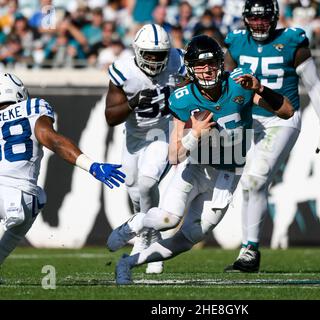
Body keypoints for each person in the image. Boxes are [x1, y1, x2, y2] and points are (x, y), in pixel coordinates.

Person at [108, 35, 294, 285]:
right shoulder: (183, 98)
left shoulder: (240, 84)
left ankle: (128, 263)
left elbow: (287, 112)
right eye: (199, 65)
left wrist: (260, 89)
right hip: (194, 167)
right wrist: (194, 134)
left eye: (211, 63)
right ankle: (137, 221)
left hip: (228, 173)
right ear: (190, 68)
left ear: (221, 63)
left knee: (190, 238)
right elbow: (174, 155)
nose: (206, 70)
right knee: (167, 220)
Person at [223, 0, 320, 273]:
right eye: (254, 18)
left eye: (264, 18)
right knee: (248, 184)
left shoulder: (292, 40)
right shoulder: (235, 42)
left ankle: (250, 249)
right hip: (247, 118)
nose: (259, 23)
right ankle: (246, 249)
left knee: (254, 179)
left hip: (281, 118)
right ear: (245, 18)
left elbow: (315, 85)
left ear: (274, 18)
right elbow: (225, 83)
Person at [0, 73, 125, 265]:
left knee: (37, 197)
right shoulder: (31, 108)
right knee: (38, 198)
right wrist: (91, 166)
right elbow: (54, 141)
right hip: (22, 196)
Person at [104, 23, 186, 274]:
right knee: (134, 190)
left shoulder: (178, 61)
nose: (153, 60)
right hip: (134, 137)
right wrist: (133, 102)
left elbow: (192, 86)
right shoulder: (123, 70)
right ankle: (146, 232)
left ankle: (148, 236)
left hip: (162, 131)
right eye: (148, 54)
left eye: (159, 55)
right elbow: (110, 117)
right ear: (137, 51)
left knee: (148, 182)